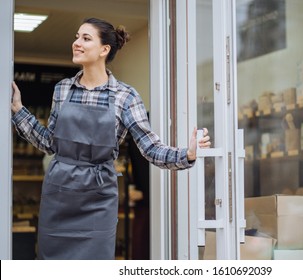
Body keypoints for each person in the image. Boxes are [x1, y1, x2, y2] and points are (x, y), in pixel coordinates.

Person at [10, 17, 211, 260]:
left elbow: (149, 148)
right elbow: (50, 142)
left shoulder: (125, 96)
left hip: (98, 200)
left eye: (86, 38)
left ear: (104, 49)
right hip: (59, 196)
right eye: (76, 37)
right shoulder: (62, 89)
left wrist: (186, 154)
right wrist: (19, 111)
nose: (77, 43)